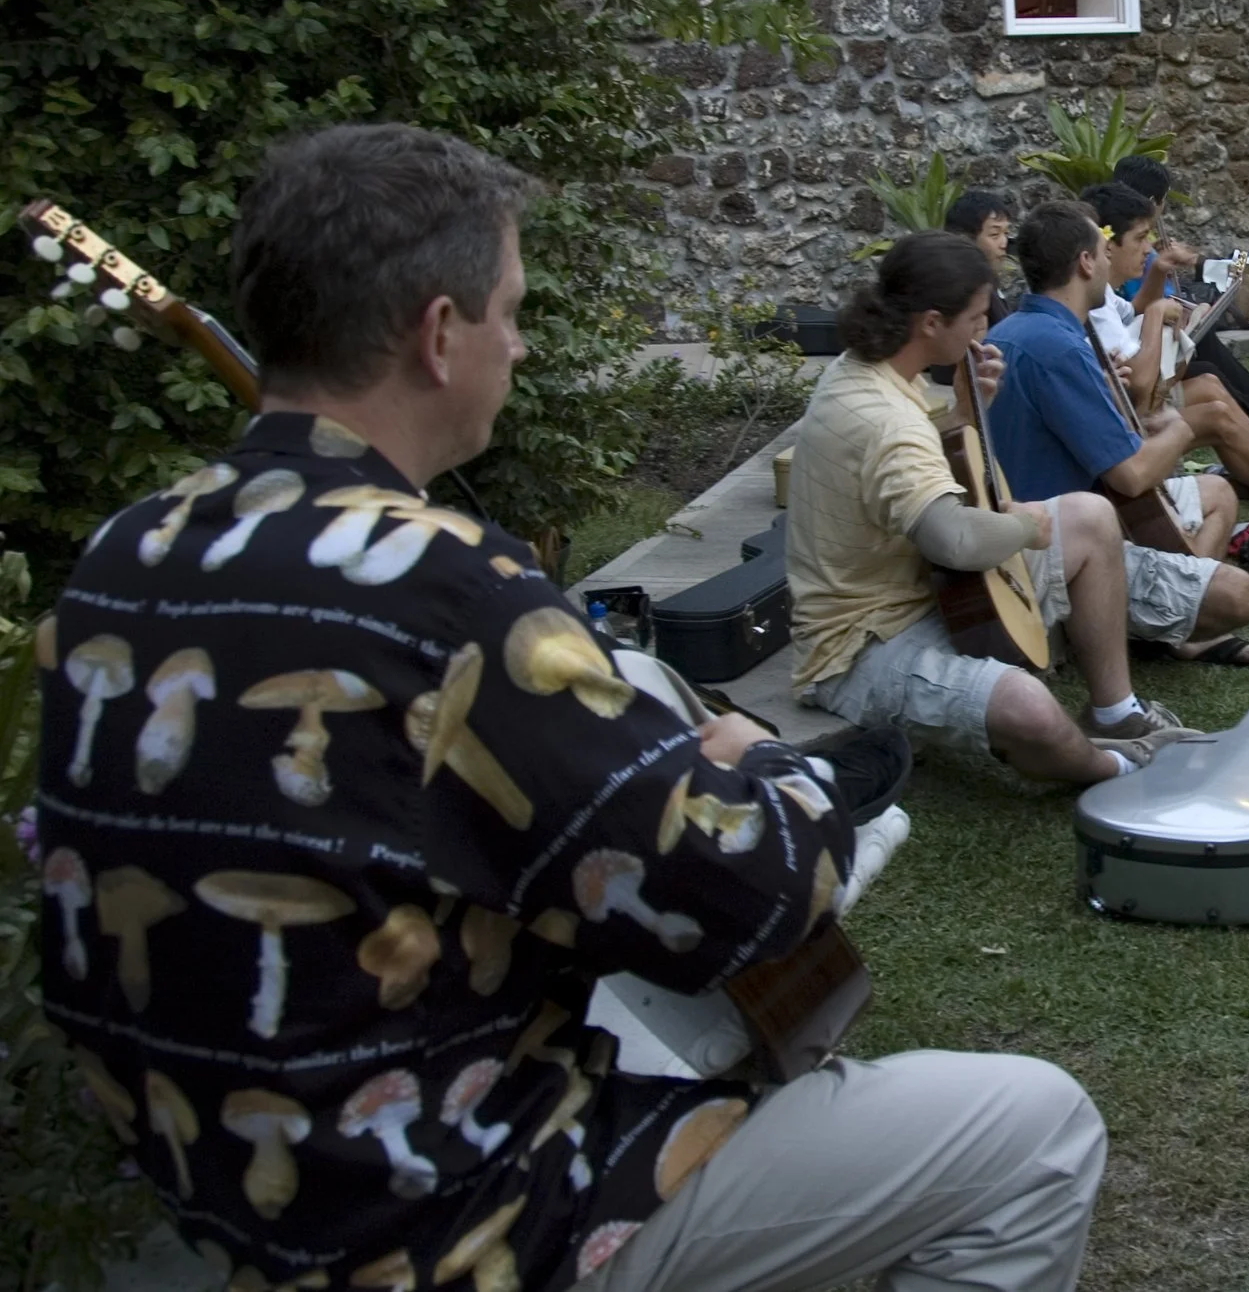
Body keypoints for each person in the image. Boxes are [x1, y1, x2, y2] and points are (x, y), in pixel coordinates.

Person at [39, 124, 1106, 1292]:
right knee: (1034, 1130)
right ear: (439, 337)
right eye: (510, 309)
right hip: (449, 1226)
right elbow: (749, 896)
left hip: (220, 1210)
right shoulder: (441, 586)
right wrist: (778, 773)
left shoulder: (118, 556)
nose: (521, 341)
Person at [786, 231, 1203, 778]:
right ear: (932, 322)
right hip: (858, 642)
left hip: (923, 587)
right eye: (977, 317)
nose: (985, 328)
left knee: (1089, 514)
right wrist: (1027, 527)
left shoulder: (867, 371)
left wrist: (967, 409)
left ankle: (1116, 712)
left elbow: (906, 475)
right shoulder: (884, 417)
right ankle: (1114, 769)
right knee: (1027, 706)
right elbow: (954, 540)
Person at [984, 202, 1249, 666]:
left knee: (1218, 490)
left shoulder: (1022, 329)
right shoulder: (1059, 347)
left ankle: (1167, 612)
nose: (1108, 264)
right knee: (1240, 596)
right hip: (1069, 537)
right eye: (1103, 252)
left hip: (1079, 505)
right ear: (1084, 262)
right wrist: (1181, 428)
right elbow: (1132, 476)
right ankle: (1131, 620)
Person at [1077, 185, 1249, 504]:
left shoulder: (1105, 295)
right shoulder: (1094, 304)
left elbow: (1133, 309)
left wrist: (1159, 273)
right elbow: (1139, 384)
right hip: (1128, 420)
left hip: (1134, 408)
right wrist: (1156, 318)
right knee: (1216, 412)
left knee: (1209, 383)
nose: (1148, 249)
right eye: (1140, 238)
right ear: (1107, 246)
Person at [1108, 154, 1249, 413]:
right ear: (1153, 202)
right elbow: (1142, 311)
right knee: (1205, 360)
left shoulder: (1130, 245)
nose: (1145, 247)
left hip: (1142, 342)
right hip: (1138, 361)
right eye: (1164, 200)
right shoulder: (1123, 250)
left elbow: (1136, 308)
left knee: (1206, 355)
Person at [944, 188, 1021, 326]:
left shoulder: (991, 286)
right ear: (967, 239)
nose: (1004, 243)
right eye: (994, 234)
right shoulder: (963, 296)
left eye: (1006, 233)